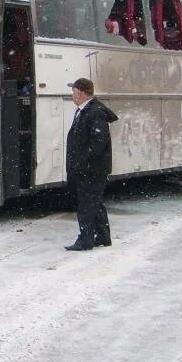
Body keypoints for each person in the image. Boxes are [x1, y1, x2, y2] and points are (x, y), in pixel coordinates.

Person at [64, 77, 119, 251]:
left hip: (92, 170)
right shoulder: (85, 110)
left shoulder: (94, 112)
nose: (72, 93)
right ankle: (102, 235)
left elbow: (98, 142)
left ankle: (85, 239)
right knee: (94, 202)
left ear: (80, 92)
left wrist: (82, 161)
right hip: (89, 168)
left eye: (73, 90)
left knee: (86, 204)